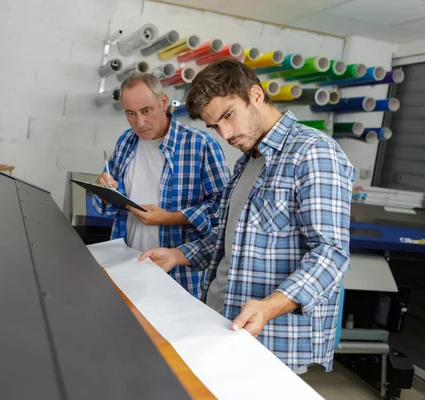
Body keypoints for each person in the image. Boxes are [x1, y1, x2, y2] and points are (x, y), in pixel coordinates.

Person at [140, 59, 355, 373]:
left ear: (255, 95)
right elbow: (231, 240)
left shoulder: (313, 152)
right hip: (219, 320)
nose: (225, 133)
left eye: (228, 116)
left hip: (269, 339)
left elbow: (331, 254)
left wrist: (270, 306)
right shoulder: (247, 161)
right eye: (215, 126)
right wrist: (178, 254)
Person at [93, 72, 230, 298]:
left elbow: (223, 210)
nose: (140, 122)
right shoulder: (126, 141)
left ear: (163, 102)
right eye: (130, 114)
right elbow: (110, 207)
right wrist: (106, 191)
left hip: (179, 278)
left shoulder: (200, 145)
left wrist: (169, 217)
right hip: (128, 266)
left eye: (146, 111)